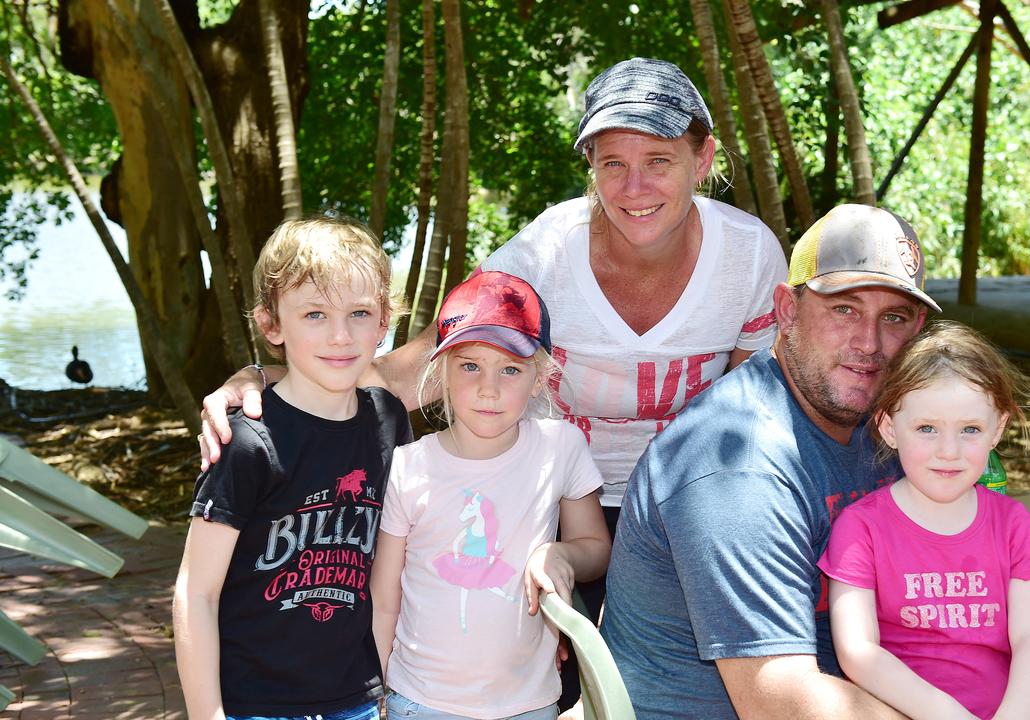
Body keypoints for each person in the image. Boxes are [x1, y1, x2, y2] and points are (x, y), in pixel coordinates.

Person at [199, 56, 787, 706]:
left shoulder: (750, 252)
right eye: (612, 162)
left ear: (702, 159)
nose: (634, 185)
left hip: (686, 504)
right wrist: (271, 382)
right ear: (590, 166)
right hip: (555, 497)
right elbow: (422, 364)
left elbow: (753, 412)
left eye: (660, 160)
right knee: (554, 682)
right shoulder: (543, 254)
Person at [600, 203, 944, 719]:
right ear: (786, 311)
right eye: (844, 309)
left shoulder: (886, 427)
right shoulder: (738, 466)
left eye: (892, 318)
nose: (869, 344)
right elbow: (777, 699)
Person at [173, 217, 412, 720]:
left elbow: (397, 566)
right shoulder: (246, 442)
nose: (341, 335)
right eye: (315, 315)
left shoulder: (389, 423)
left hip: (358, 700)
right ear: (270, 324)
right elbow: (196, 590)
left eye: (360, 312)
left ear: (385, 320)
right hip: (255, 703)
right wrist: (206, 714)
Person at [369, 271, 611, 720]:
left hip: (530, 703)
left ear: (540, 377)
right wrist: (380, 693)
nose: (489, 388)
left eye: (511, 369)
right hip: (417, 701)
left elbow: (596, 550)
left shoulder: (560, 449)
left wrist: (563, 555)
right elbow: (385, 598)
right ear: (440, 370)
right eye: (470, 365)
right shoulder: (408, 466)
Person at [818, 321, 1030, 720]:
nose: (949, 451)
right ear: (890, 428)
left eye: (970, 429)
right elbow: (858, 651)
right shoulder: (861, 529)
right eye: (927, 428)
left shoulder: (1015, 525)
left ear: (997, 430)